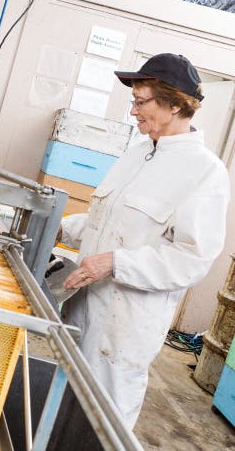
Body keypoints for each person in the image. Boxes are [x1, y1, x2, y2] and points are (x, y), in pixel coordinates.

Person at [57, 53, 230, 429]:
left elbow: (191, 259)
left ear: (173, 103)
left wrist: (115, 263)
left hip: (123, 328)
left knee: (103, 425)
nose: (133, 111)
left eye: (140, 102)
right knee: (62, 407)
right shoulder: (137, 153)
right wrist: (61, 225)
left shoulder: (205, 173)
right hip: (82, 308)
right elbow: (108, 219)